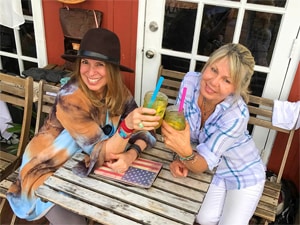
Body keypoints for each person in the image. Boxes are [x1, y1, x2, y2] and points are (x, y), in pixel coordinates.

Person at [7, 28, 160, 224]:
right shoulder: (71, 97)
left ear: (111, 70)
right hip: (47, 168)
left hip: (82, 166)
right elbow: (103, 152)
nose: (90, 71)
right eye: (85, 62)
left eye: (99, 64)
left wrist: (132, 153)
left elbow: (147, 130)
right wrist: (127, 128)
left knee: (126, 209)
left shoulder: (118, 91)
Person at [161, 43, 266, 225]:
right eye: (213, 69)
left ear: (236, 88)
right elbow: (179, 126)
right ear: (207, 64)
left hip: (243, 172)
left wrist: (186, 154)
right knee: (204, 218)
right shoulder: (190, 82)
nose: (213, 82)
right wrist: (178, 157)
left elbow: (197, 163)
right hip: (214, 170)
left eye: (227, 80)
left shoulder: (237, 115)